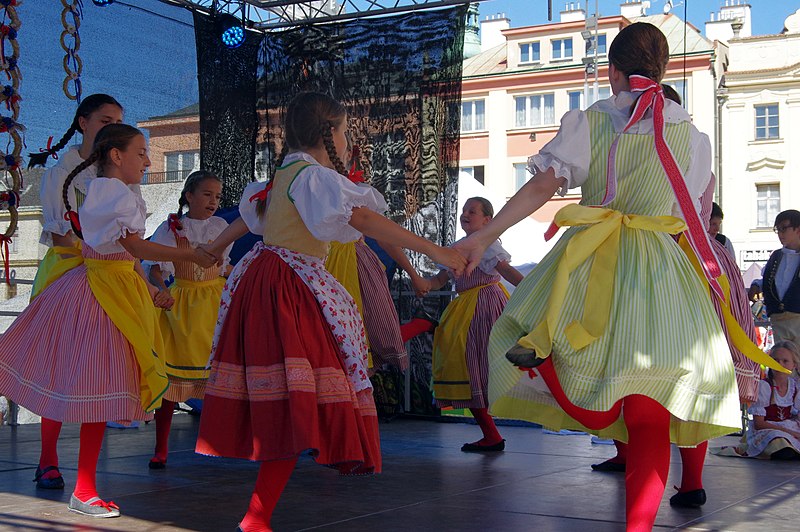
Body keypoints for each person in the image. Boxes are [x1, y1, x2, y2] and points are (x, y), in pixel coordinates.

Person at [454, 23, 749, 531]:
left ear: (613, 70)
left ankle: (545, 364)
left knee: (575, 368)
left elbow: (542, 187)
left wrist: (486, 235)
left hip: (595, 262)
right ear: (659, 70)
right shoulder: (693, 136)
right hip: (661, 273)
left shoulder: (593, 120)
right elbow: (693, 216)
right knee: (650, 411)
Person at [194, 91, 465, 532]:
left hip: (275, 279)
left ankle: (257, 517)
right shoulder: (313, 177)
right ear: (331, 133)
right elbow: (363, 220)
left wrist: (214, 248)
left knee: (300, 392)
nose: (347, 137)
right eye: (344, 130)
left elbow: (253, 219)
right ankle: (257, 516)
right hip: (288, 286)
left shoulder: (289, 174)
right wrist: (437, 250)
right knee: (301, 391)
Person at [0, 124, 216, 518]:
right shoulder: (112, 192)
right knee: (96, 385)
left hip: (115, 287)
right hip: (103, 294)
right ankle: (83, 489)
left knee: (98, 387)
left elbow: (128, 255)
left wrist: (151, 290)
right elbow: (134, 247)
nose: (148, 160)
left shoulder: (114, 191)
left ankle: (85, 487)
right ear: (116, 156)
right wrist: (190, 256)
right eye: (141, 152)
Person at [144, 170, 233, 469]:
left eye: (217, 196)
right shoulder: (171, 229)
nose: (213, 201)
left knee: (217, 377)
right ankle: (161, 447)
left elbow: (224, 268)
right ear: (189, 196)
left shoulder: (221, 227)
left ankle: (217, 441)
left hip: (214, 303)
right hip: (182, 304)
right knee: (173, 380)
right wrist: (159, 288)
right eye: (207, 194)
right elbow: (156, 267)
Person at [422, 197, 522, 452]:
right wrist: (425, 284)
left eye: (472, 211)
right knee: (470, 367)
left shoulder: (487, 245)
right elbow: (441, 278)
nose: (465, 214)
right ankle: (490, 435)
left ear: (487, 220)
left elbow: (506, 270)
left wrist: (530, 288)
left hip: (485, 305)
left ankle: (492, 433)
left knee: (478, 364)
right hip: (465, 308)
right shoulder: (457, 248)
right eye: (464, 210)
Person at [30, 94, 125, 300]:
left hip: (115, 270)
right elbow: (61, 238)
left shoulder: (123, 176)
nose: (113, 129)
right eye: (105, 121)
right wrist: (85, 277)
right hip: (71, 269)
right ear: (83, 123)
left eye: (118, 123)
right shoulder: (60, 175)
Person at [743, 341, 800, 459]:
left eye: (785, 361)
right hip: (768, 429)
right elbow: (759, 424)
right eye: (775, 360)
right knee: (778, 440)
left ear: (794, 364)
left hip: (788, 427)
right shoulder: (764, 386)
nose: (780, 364)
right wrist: (790, 432)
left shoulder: (795, 387)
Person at [762, 210, 800, 344]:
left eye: (784, 228)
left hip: (798, 317)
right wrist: (756, 285)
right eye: (777, 229)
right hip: (778, 318)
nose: (780, 233)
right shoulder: (776, 256)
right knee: (782, 359)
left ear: (798, 230)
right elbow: (767, 280)